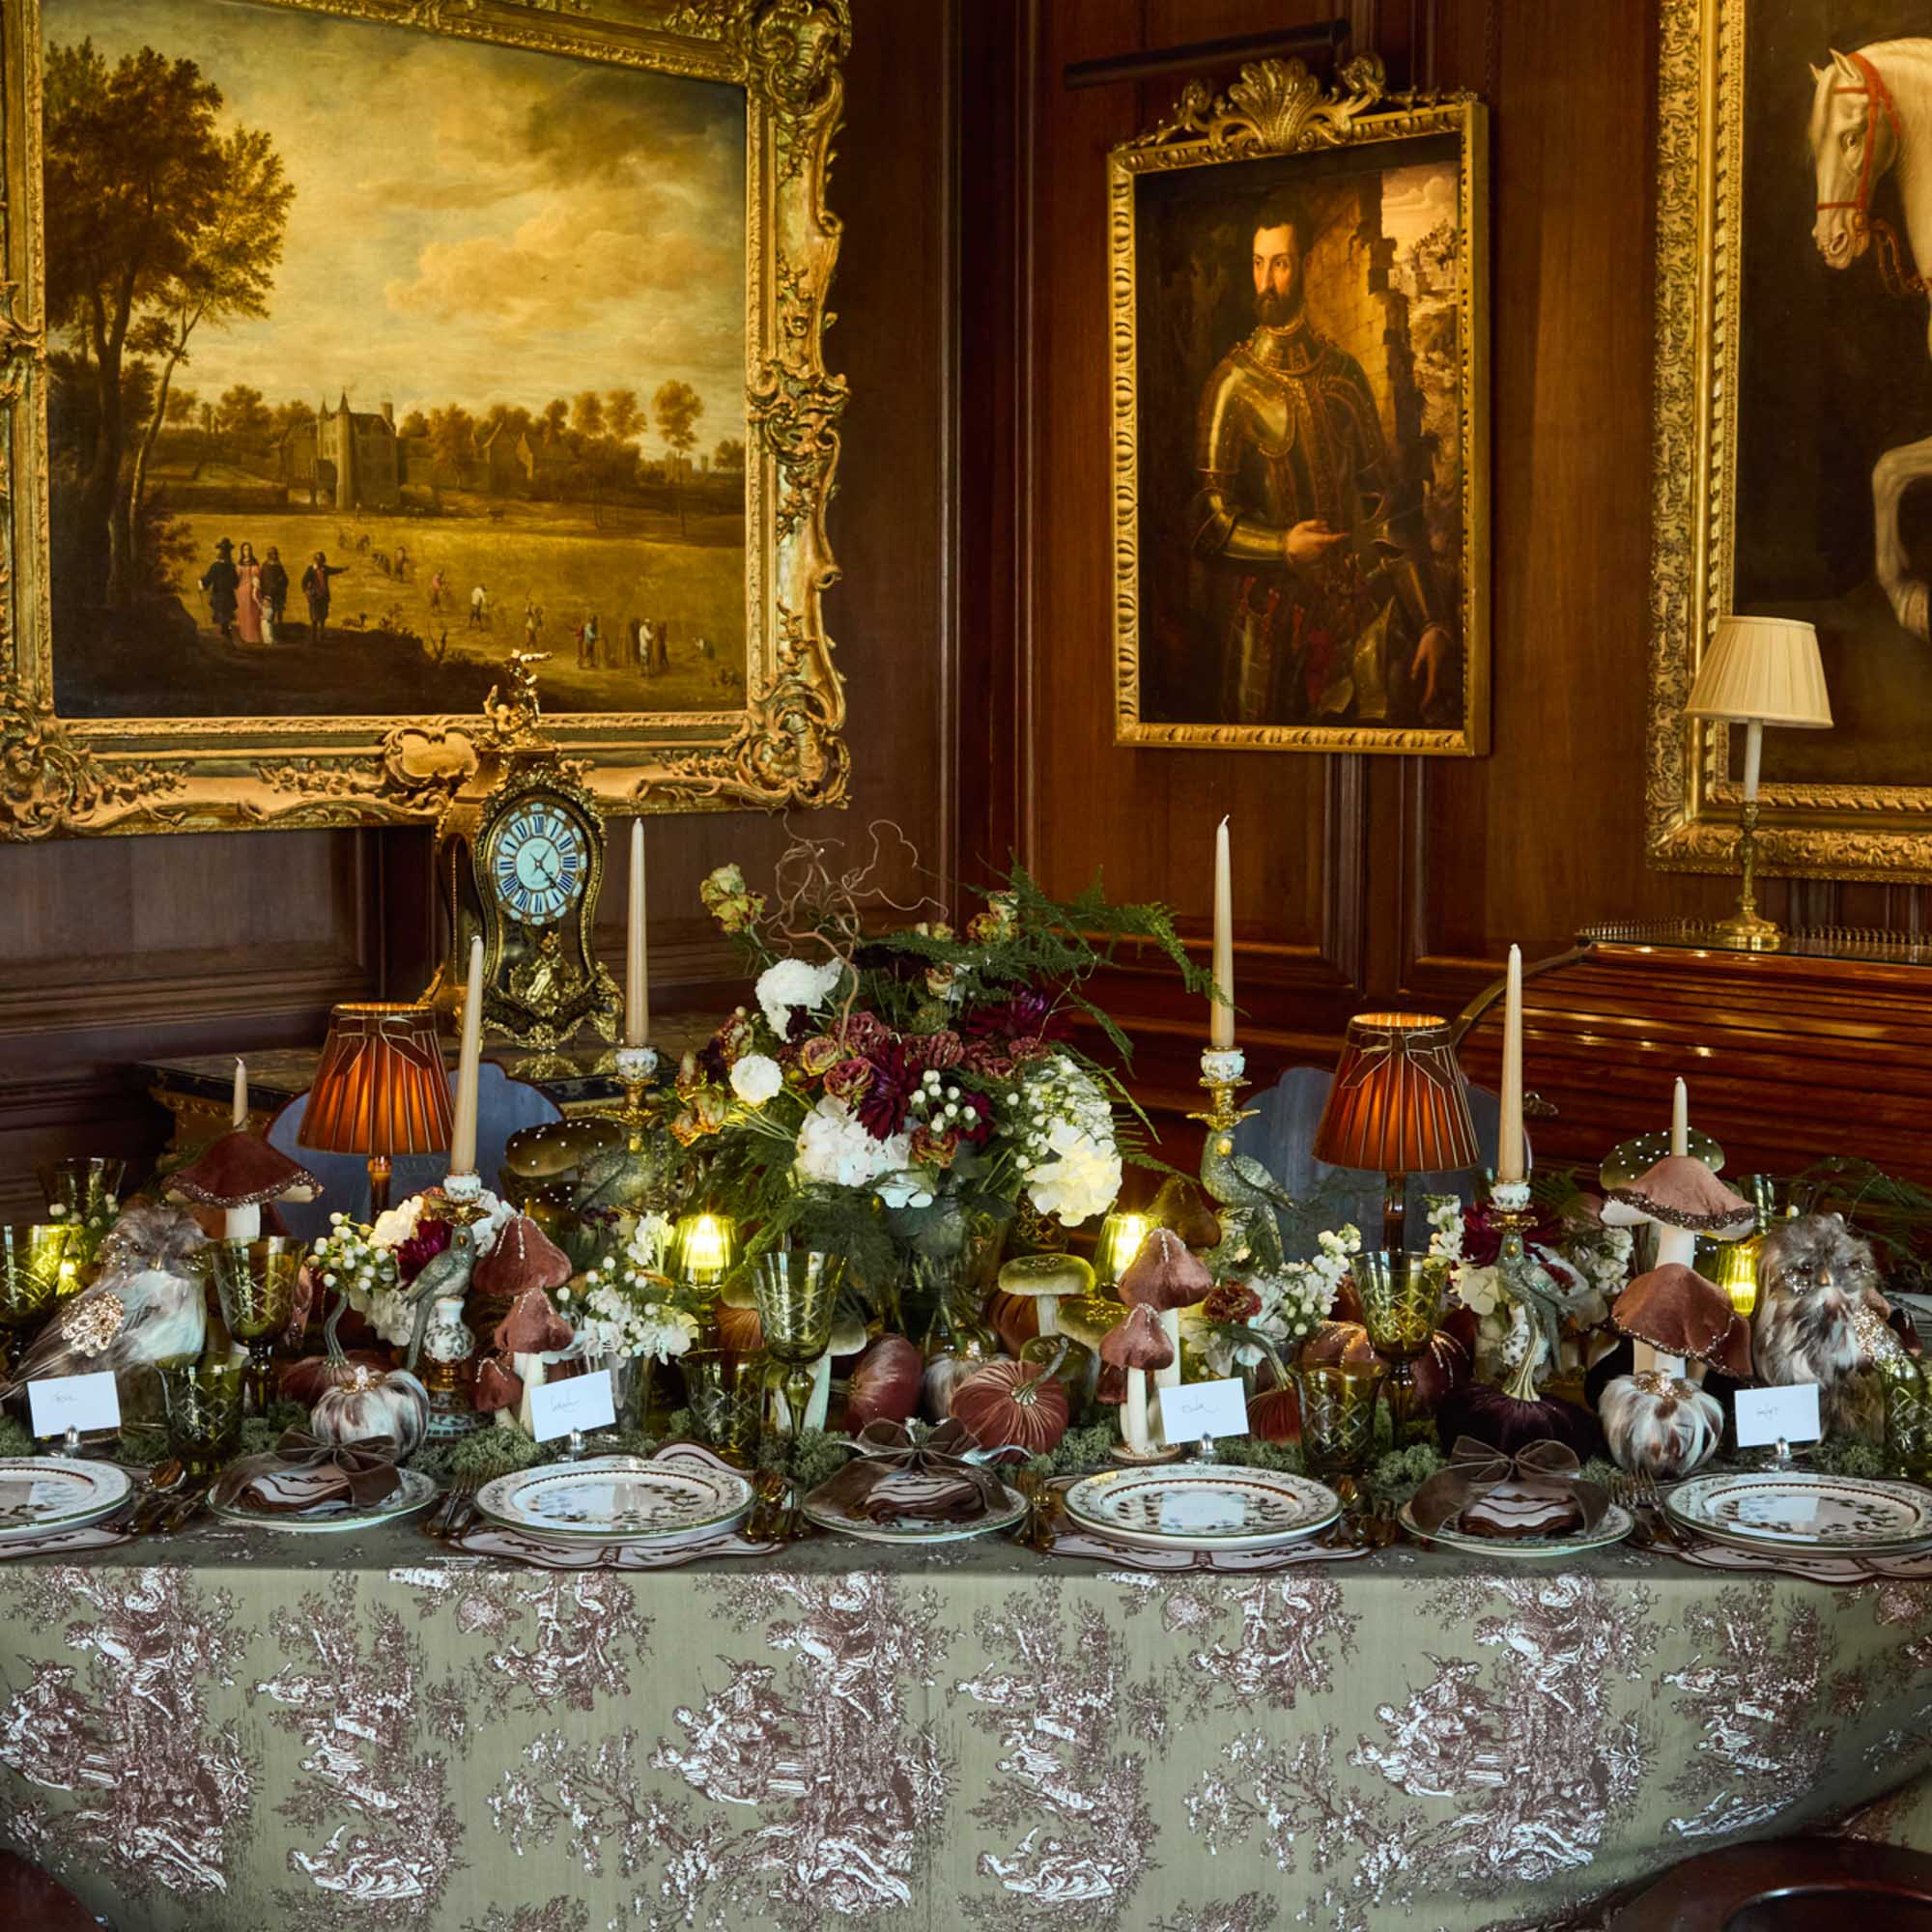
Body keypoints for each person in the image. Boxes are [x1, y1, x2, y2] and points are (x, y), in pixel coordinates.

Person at [1189, 192, 1451, 727]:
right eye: (1259, 264)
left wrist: (1430, 622)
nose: (1267, 281)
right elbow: (1206, 521)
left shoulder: (1344, 374)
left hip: (1349, 625)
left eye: (1280, 263)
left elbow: (1390, 513)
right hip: (1263, 633)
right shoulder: (1231, 384)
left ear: (1303, 265)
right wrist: (1281, 546)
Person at [300, 551, 349, 646]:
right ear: (316, 561)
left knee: (323, 616)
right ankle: (314, 637)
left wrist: (343, 569)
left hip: (324, 596)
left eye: (322, 561)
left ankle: (322, 634)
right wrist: (307, 592)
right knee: (314, 617)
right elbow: (303, 581)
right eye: (320, 561)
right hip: (314, 597)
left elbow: (333, 570)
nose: (322, 563)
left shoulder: (324, 569)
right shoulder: (310, 570)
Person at [199, 538, 240, 644]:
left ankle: (228, 644)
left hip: (219, 598)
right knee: (225, 622)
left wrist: (201, 582)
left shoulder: (216, 566)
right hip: (228, 598)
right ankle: (228, 644)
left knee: (224, 623)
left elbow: (207, 581)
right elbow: (236, 584)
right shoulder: (231, 566)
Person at [234, 541, 264, 646]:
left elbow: (258, 577)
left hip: (252, 591)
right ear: (242, 551)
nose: (248, 551)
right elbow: (236, 578)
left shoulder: (255, 563)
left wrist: (255, 586)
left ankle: (254, 637)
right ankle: (244, 636)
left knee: (253, 614)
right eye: (245, 549)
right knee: (243, 614)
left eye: (249, 549)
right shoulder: (239, 564)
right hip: (241, 591)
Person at [258, 547, 289, 646]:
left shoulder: (279, 566)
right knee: (268, 617)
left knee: (278, 615)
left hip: (278, 594)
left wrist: (281, 582)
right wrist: (264, 594)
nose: (275, 556)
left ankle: (279, 634)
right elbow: (262, 580)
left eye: (276, 554)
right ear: (269, 555)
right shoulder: (265, 566)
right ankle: (270, 637)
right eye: (273, 554)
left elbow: (286, 579)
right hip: (268, 594)